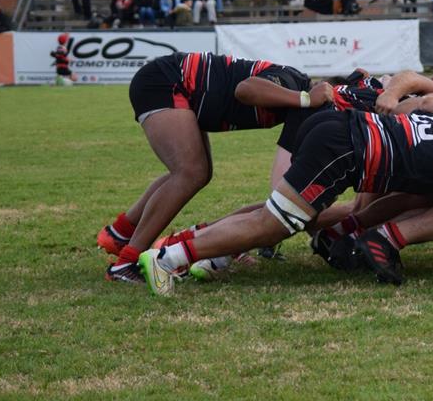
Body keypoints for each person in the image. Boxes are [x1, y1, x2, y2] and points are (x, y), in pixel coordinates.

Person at [138, 110, 433, 294]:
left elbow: (408, 188)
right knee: (273, 223)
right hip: (343, 148)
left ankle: (196, 245)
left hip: (342, 128)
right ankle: (168, 259)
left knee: (286, 215)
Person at [98, 53, 335, 283]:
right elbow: (246, 89)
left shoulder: (302, 109)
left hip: (180, 88)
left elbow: (287, 186)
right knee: (191, 172)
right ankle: (124, 265)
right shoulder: (294, 86)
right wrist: (307, 98)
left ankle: (120, 233)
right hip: (167, 81)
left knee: (196, 173)